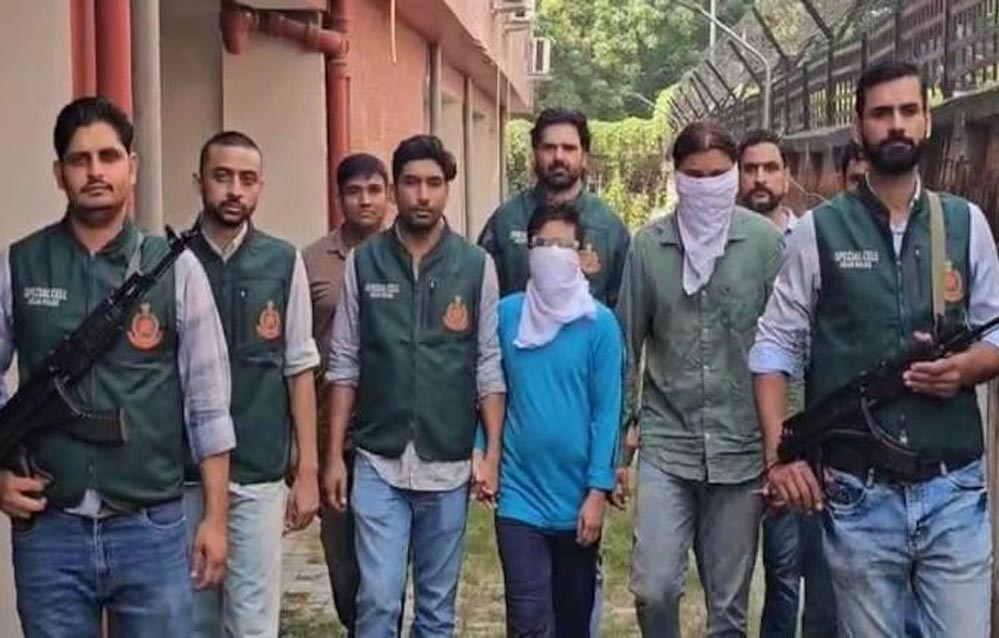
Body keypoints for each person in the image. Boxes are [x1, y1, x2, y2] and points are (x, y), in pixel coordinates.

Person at [751, 60, 999, 638]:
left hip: (953, 489)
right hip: (859, 497)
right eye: (882, 113)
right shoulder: (818, 231)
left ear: (928, 121)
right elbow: (772, 348)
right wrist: (779, 457)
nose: (896, 125)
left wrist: (968, 367)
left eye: (909, 111)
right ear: (858, 127)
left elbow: (995, 332)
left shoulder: (966, 224)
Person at [0, 96, 234, 637]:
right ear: (59, 174)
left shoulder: (176, 270)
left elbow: (208, 406)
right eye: (79, 160)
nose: (95, 171)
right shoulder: (20, 264)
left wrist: (216, 520)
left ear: (132, 166)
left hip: (151, 528)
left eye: (108, 156)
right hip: (49, 531)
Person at [323, 135, 506, 638]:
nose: (422, 195)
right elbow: (344, 363)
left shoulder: (476, 266)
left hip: (447, 462)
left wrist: (491, 453)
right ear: (394, 190)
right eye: (410, 183)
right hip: (378, 460)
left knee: (436, 611)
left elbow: (488, 364)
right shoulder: (364, 262)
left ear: (447, 188)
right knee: (378, 602)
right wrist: (335, 456)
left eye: (433, 183)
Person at [618, 121, 783, 638]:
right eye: (695, 176)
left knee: (728, 610)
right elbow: (627, 347)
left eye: (718, 176)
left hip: (741, 451)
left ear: (734, 176)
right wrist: (619, 445)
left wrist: (787, 444)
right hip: (669, 445)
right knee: (654, 587)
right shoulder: (649, 248)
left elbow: (787, 346)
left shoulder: (765, 245)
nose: (707, 186)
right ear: (677, 177)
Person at [182, 130, 320, 637]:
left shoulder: (282, 262)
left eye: (247, 179)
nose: (234, 190)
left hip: (259, 469)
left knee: (252, 622)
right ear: (199, 182)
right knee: (191, 619)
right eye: (222, 177)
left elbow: (299, 367)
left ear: (261, 186)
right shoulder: (170, 260)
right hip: (184, 474)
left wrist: (307, 469)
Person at [488, 201, 622, 638]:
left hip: (576, 499)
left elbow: (607, 411)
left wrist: (598, 491)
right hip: (519, 496)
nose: (552, 253)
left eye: (563, 245)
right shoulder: (507, 316)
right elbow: (490, 391)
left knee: (572, 620)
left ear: (581, 255)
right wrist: (481, 452)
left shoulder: (599, 325)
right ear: (528, 251)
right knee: (527, 619)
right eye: (542, 243)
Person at [737, 130, 837, 638]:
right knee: (729, 579)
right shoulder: (719, 242)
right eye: (750, 168)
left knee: (786, 572)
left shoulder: (813, 240)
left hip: (795, 432)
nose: (760, 178)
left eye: (770, 168)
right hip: (732, 435)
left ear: (787, 174)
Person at [303, 153, 390, 636]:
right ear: (339, 198)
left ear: (388, 195)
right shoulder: (312, 261)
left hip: (388, 425)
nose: (365, 200)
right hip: (330, 427)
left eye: (374, 190)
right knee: (341, 558)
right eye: (354, 191)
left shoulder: (404, 255)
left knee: (384, 563)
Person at [478, 108, 630, 307]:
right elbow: (483, 301)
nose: (559, 156)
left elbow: (624, 309)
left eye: (569, 148)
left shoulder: (609, 227)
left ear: (584, 156)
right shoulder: (506, 221)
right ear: (534, 154)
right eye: (549, 147)